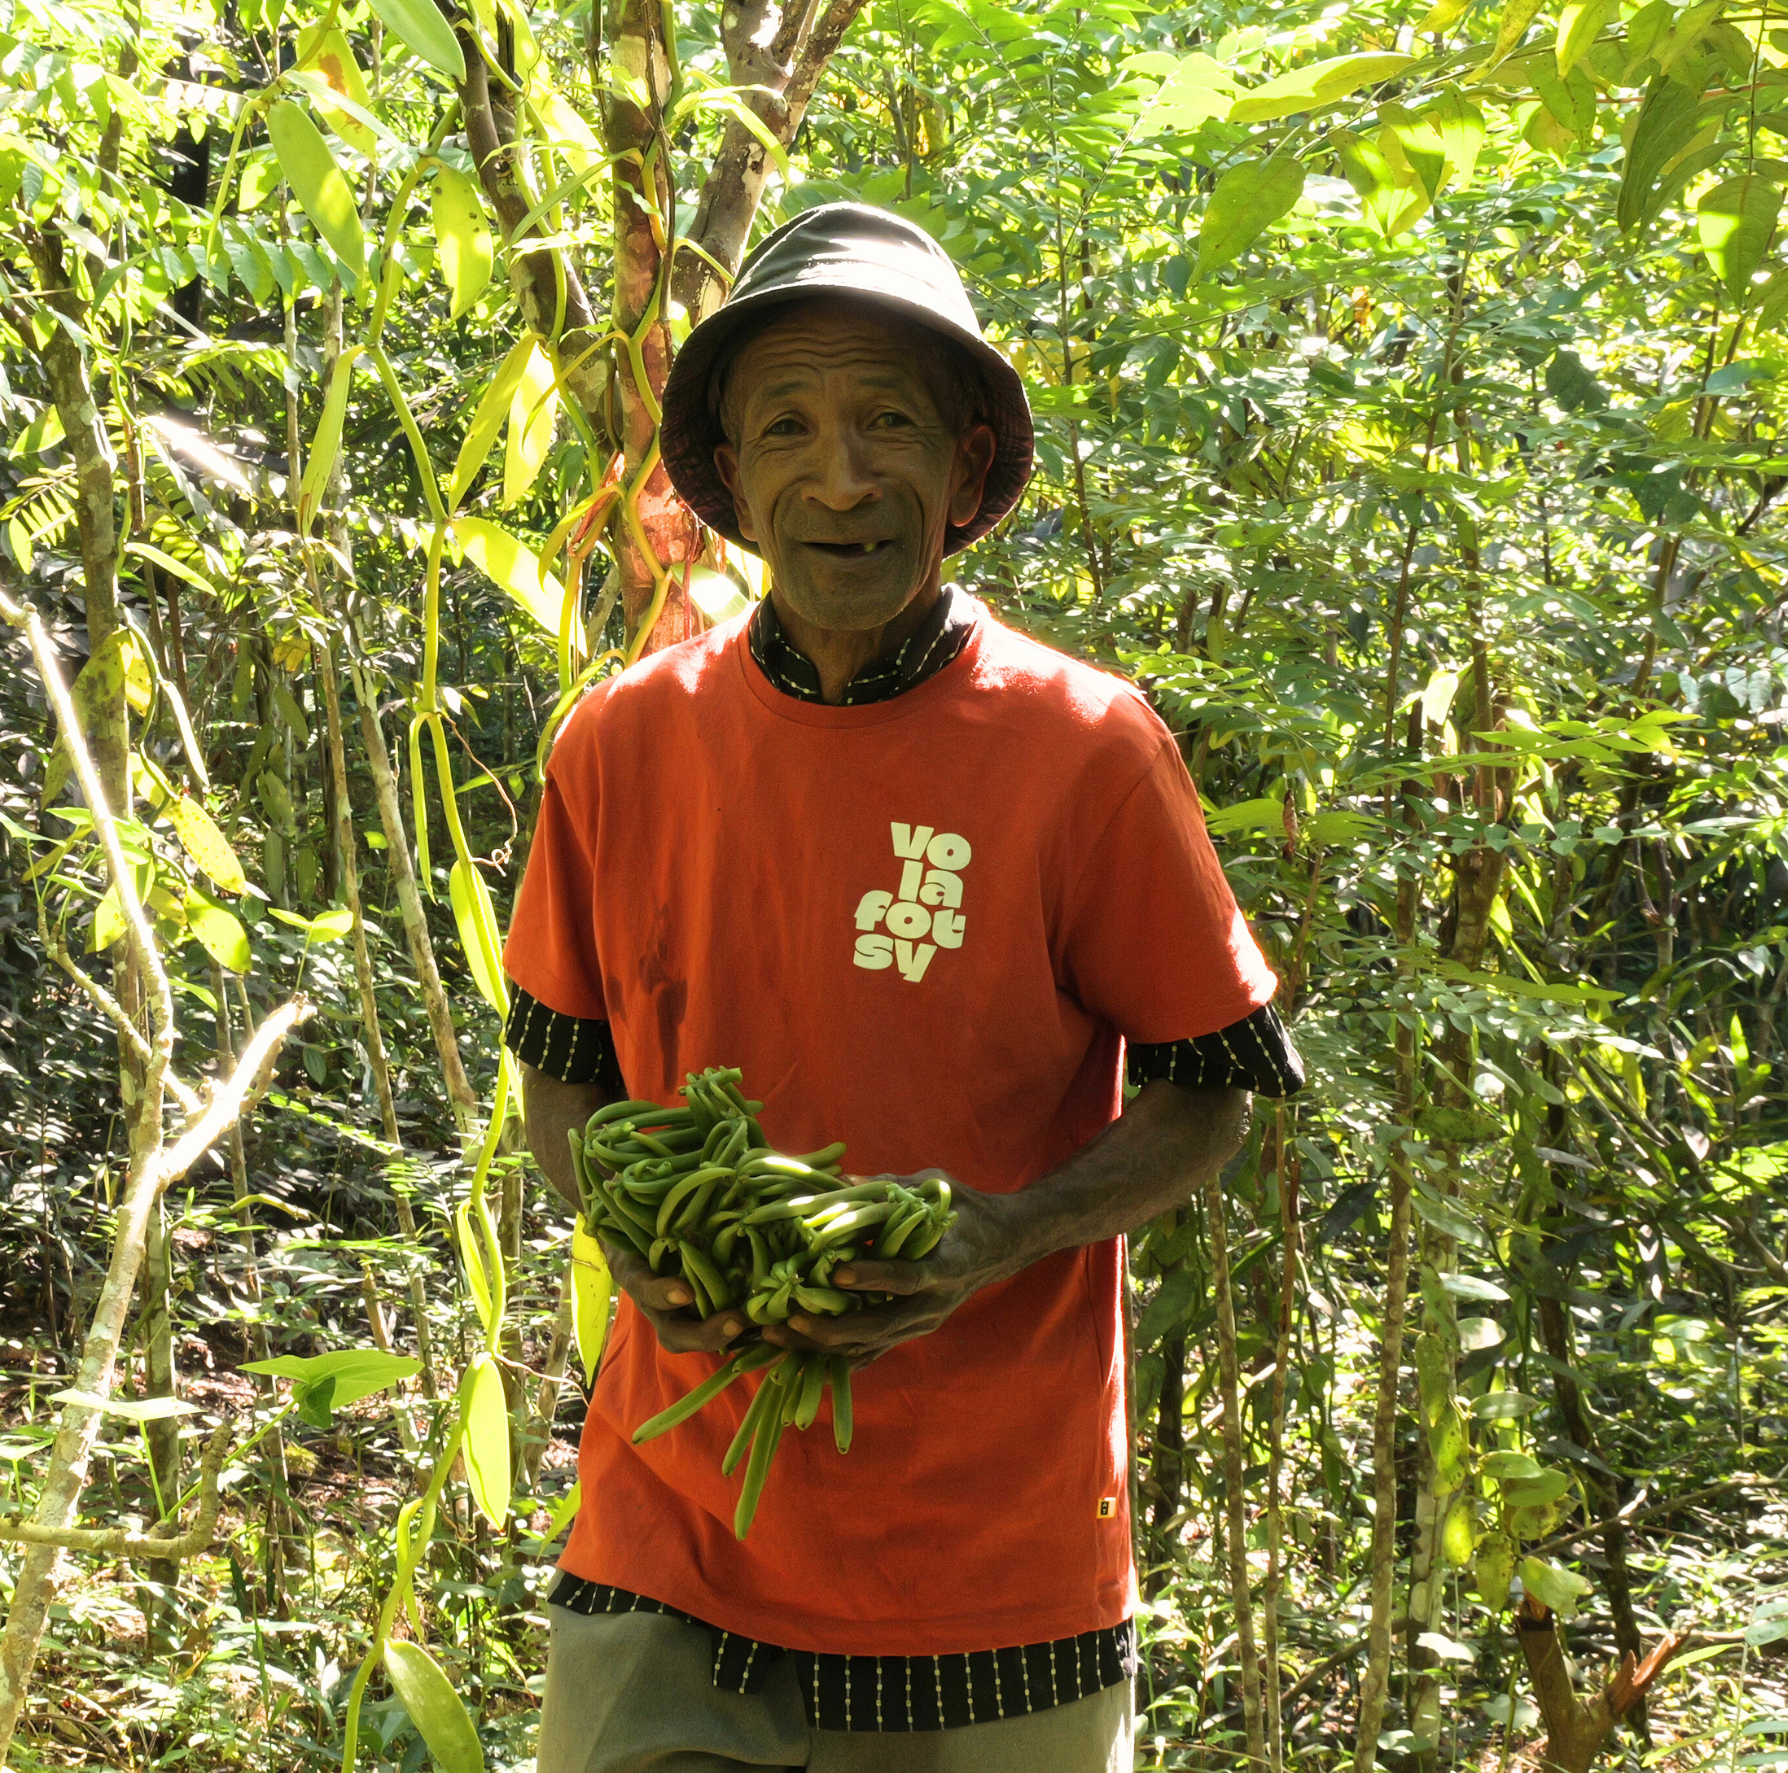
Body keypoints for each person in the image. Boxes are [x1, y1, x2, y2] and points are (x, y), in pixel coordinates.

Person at [502, 203, 1303, 1770]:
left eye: (888, 423)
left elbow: (1217, 1090)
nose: (841, 476)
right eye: (786, 425)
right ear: (727, 478)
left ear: (967, 468)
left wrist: (999, 1232)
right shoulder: (620, 743)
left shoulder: (1082, 748)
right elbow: (562, 1063)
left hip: (988, 1561)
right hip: (668, 1536)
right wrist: (632, 1222)